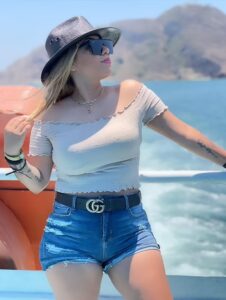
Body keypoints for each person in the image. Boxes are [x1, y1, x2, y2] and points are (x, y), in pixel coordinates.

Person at [3, 16, 226, 300]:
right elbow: (37, 183)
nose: (107, 51)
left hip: (129, 227)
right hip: (70, 232)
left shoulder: (134, 94)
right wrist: (13, 152)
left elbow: (187, 135)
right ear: (70, 62)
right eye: (96, 47)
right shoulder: (47, 118)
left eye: (107, 45)